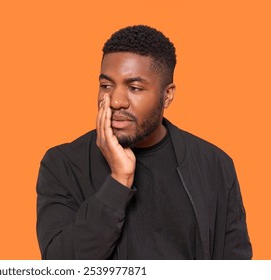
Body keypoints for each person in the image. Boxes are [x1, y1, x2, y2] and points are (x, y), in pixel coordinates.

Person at [36, 25, 252, 259]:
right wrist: (119, 182)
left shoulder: (215, 165)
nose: (116, 101)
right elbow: (59, 265)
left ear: (167, 95)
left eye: (134, 88)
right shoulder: (63, 164)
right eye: (106, 86)